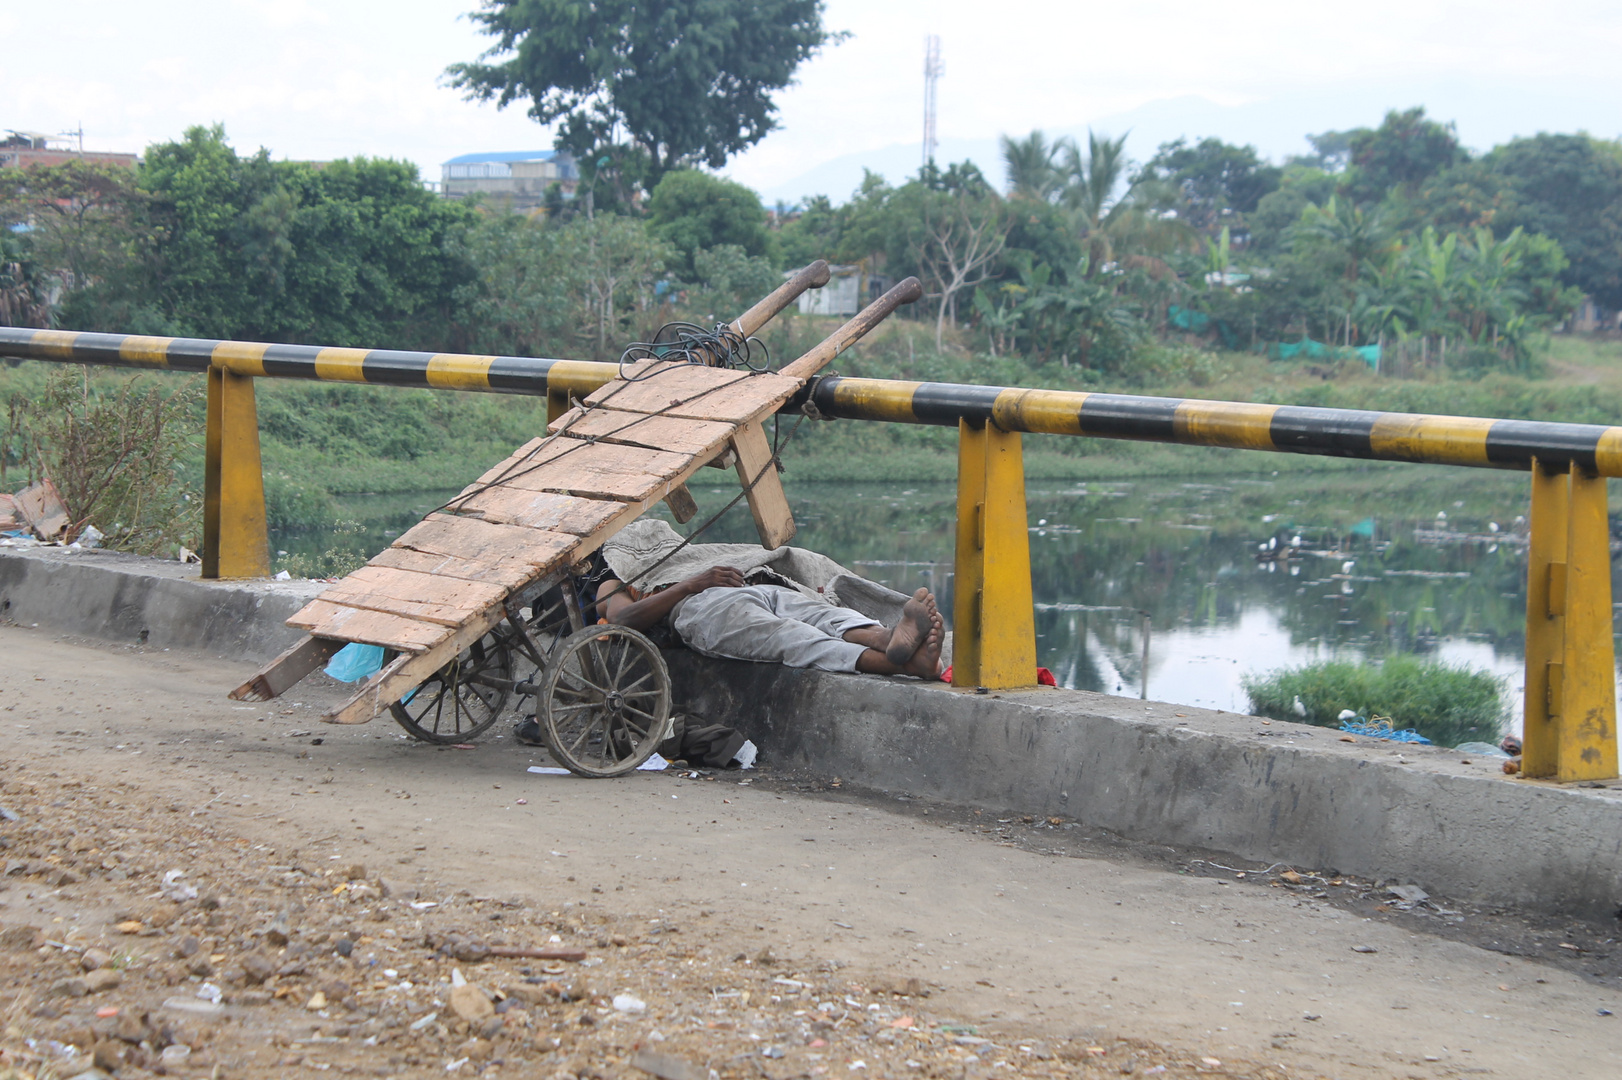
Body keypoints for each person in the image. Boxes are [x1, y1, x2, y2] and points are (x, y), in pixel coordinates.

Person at [593, 521, 944, 680]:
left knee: (820, 613)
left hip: (756, 586)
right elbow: (623, 620)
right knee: (791, 636)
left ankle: (885, 637)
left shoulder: (685, 558)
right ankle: (903, 664)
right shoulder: (615, 581)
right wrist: (690, 585)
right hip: (701, 607)